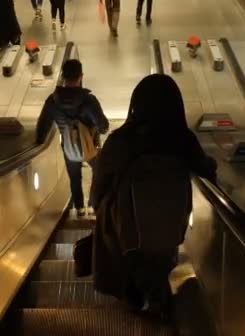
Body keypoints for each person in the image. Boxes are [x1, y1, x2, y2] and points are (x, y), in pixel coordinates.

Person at [91, 74, 217, 316]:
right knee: (161, 259)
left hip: (128, 227)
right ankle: (160, 299)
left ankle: (134, 302)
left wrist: (99, 208)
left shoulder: (121, 139)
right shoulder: (183, 139)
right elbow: (207, 171)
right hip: (171, 225)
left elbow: (101, 185)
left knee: (127, 250)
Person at [36, 60, 109, 216]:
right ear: (81, 76)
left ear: (62, 76)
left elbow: (42, 127)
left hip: (69, 147)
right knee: (99, 171)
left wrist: (38, 143)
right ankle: (92, 205)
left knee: (74, 177)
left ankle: (79, 208)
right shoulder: (89, 101)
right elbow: (104, 127)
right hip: (91, 145)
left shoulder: (52, 101)